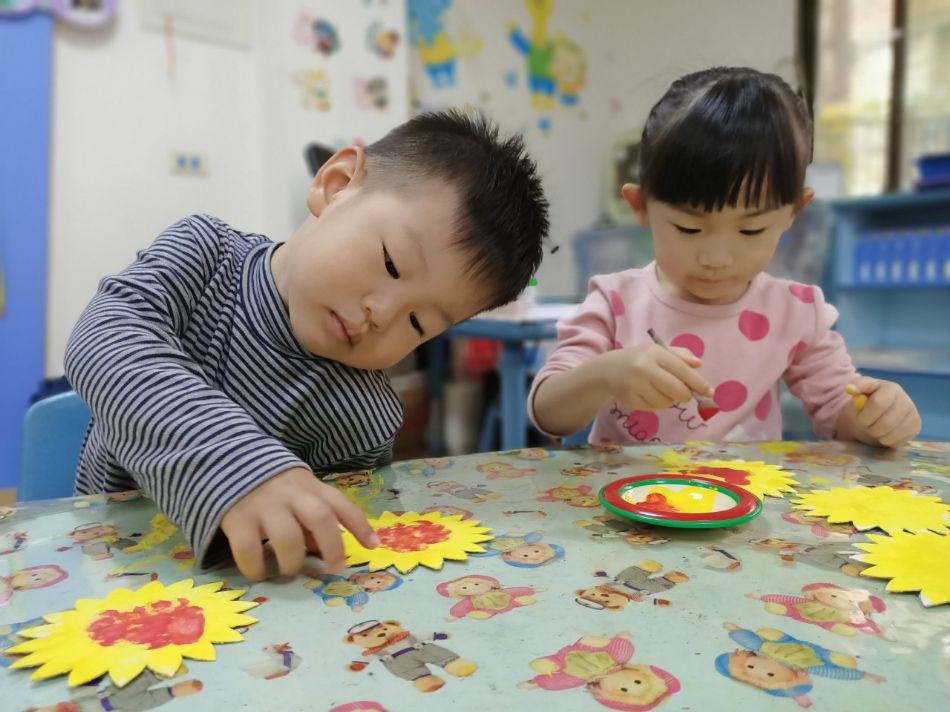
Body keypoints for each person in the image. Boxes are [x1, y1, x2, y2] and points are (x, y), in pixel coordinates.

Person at [65, 110, 549, 580]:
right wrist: (241, 468)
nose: (382, 314)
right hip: (106, 566)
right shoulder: (205, 255)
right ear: (335, 186)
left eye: (418, 322)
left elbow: (332, 545)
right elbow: (104, 335)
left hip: (237, 594)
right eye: (391, 264)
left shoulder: (364, 415)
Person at [529, 67, 920, 447]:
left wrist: (876, 417)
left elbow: (837, 410)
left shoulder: (795, 311)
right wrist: (605, 375)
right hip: (635, 491)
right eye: (689, 228)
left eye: (751, 230)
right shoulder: (615, 302)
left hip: (747, 491)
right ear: (641, 206)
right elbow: (547, 413)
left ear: (793, 213)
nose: (716, 258)